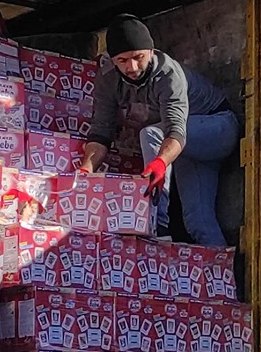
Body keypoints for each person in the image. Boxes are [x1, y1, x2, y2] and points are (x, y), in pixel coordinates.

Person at [81, 13, 239, 246]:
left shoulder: (168, 75)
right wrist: (86, 171)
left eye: (138, 57)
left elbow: (175, 131)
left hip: (216, 129)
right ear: (113, 60)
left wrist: (159, 163)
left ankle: (156, 222)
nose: (132, 67)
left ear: (151, 51)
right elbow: (100, 132)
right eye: (122, 60)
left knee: (151, 134)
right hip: (184, 148)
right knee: (198, 223)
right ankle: (221, 269)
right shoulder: (108, 79)